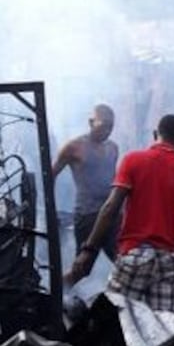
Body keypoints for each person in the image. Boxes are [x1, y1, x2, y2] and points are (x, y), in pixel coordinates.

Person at [67, 114, 174, 312]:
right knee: (164, 325)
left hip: (134, 254)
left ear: (155, 134)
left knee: (115, 321)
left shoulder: (133, 160)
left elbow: (110, 208)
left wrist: (89, 249)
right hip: (168, 262)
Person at [52, 104, 120, 261]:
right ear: (91, 122)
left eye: (111, 127)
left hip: (110, 213)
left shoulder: (113, 148)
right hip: (86, 214)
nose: (107, 131)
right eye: (104, 126)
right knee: (83, 263)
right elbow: (51, 175)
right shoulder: (74, 147)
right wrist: (52, 209)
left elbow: (114, 180)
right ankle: (67, 279)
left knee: (120, 259)